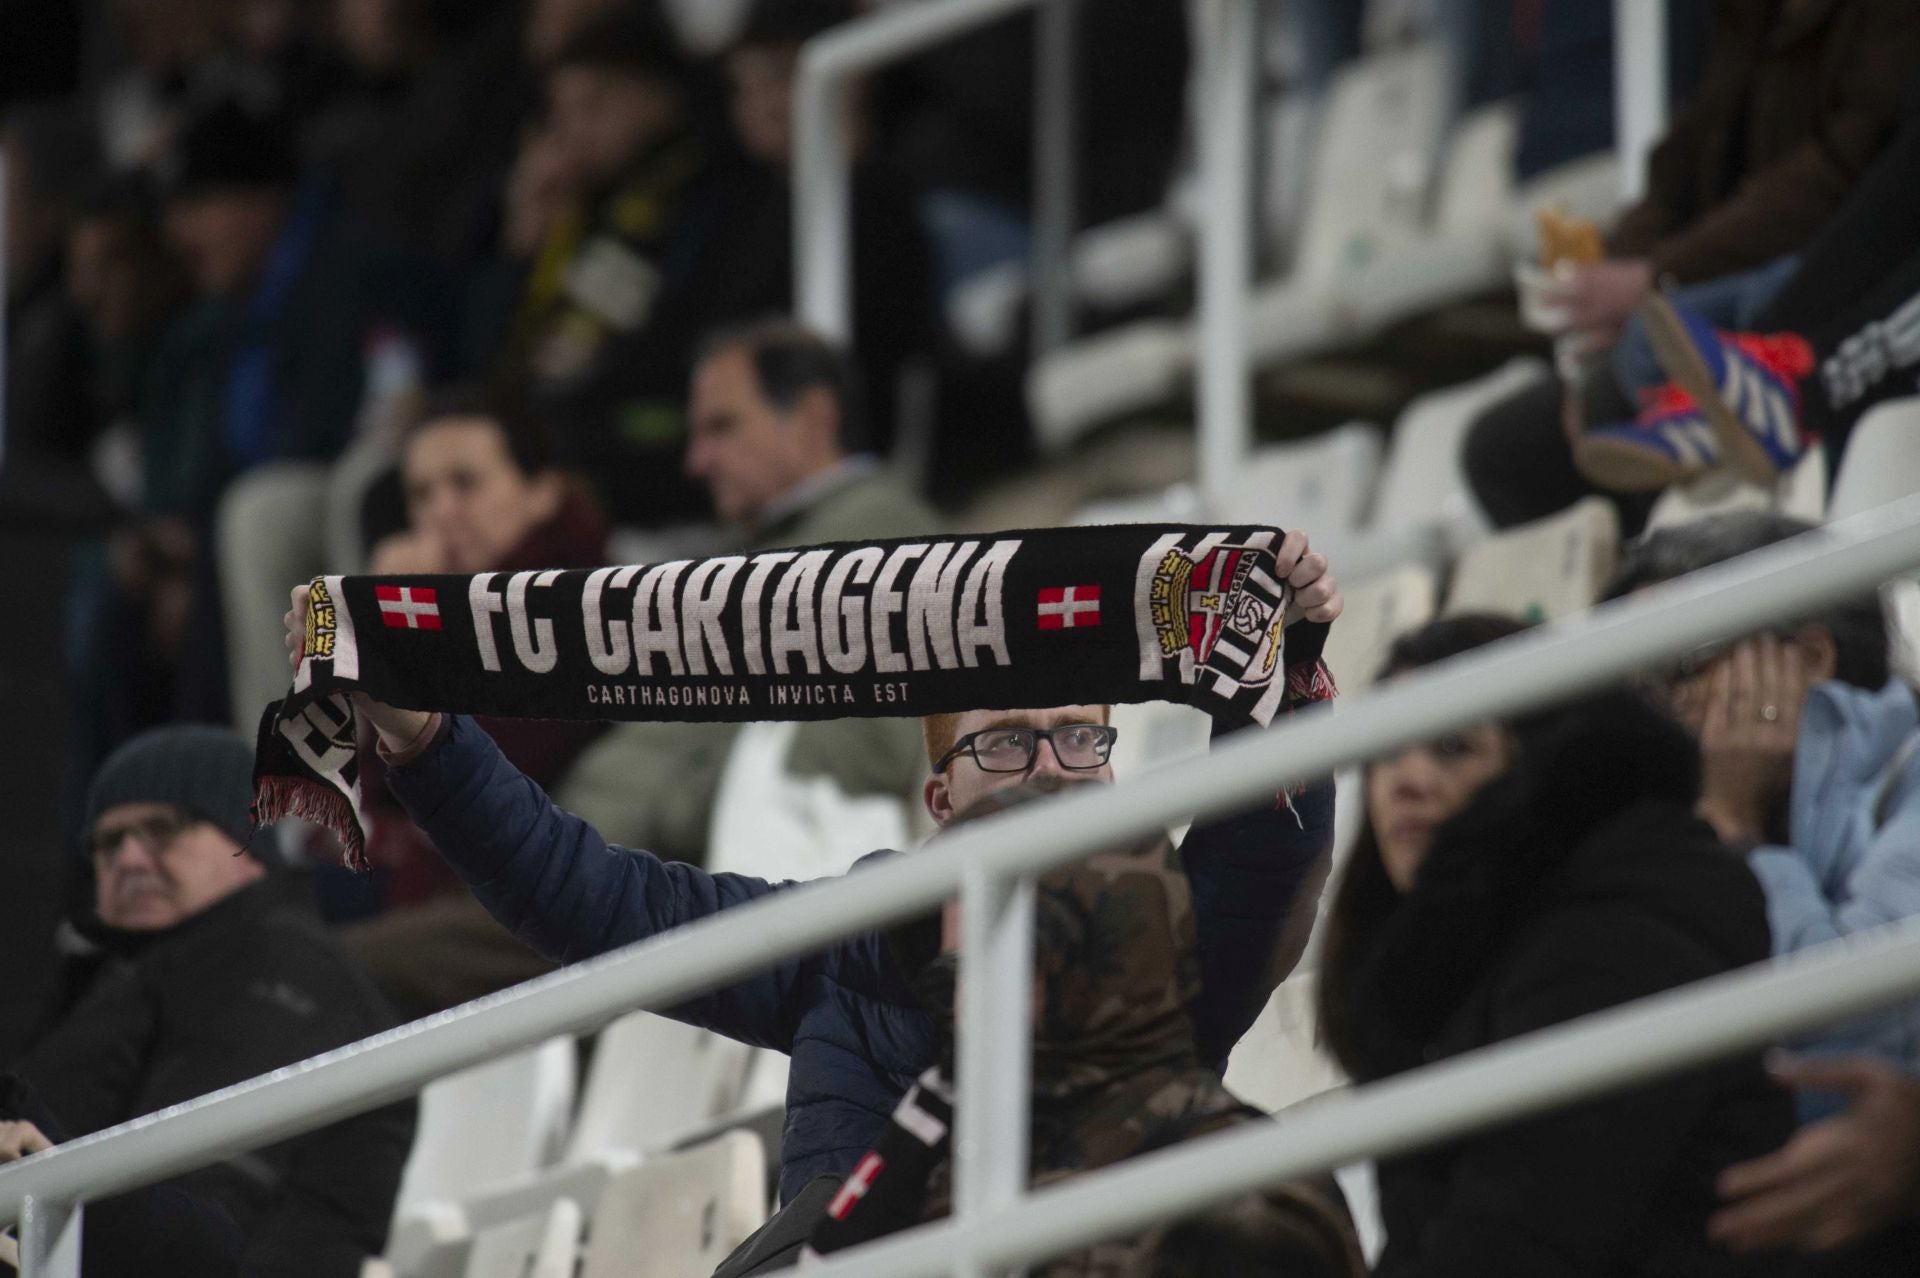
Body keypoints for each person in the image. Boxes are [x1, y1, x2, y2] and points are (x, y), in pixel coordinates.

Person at [280, 531, 1343, 1203]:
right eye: (1007, 742)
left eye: (1082, 736)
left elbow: (1270, 850)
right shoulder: (847, 949)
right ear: (941, 798)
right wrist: (424, 741)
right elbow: (588, 899)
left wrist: (1286, 676)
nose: (1052, 770)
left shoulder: (1176, 945)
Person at [1314, 614, 1797, 1276]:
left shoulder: (1626, 913)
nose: (1407, 779)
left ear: (1540, 758)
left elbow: (1522, 1236)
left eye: (1453, 747)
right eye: (1387, 752)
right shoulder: (1444, 962)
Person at [782, 783, 1364, 1278]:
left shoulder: (1242, 1198)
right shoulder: (949, 1151)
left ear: (1097, 964)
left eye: (997, 957)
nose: (960, 997)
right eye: (947, 968)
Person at [1462, 0, 1920, 534]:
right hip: (1760, 267)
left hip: (1814, 266)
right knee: (1507, 447)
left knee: (1638, 360)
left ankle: (1769, 391)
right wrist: (1624, 270)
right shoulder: (1746, 16)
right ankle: (1644, 582)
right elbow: (1679, 163)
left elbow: (1845, 179)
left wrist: (1655, 279)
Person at [1, 725, 415, 1277]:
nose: (128, 860)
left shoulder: (276, 967)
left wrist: (33, 1144)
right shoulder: (143, 972)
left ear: (248, 841)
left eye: (160, 830)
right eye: (106, 842)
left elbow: (193, 1235)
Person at [551, 319, 942, 860]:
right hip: (580, 869)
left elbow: (861, 746)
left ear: (812, 419)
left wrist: (670, 824)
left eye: (722, 427)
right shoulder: (756, 549)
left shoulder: (888, 537)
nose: (697, 462)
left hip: (643, 885)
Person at [320, 388, 612, 1017]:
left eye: (466, 483)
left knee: (303, 965)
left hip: (510, 903)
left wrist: (401, 628)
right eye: (422, 495)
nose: (441, 513)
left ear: (544, 491)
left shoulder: (576, 605)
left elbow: (452, 775)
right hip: (423, 876)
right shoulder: (460, 604)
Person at [1606, 514, 1920, 1085]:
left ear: (1809, 657)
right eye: (1635, 694)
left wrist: (1733, 827)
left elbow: (1858, 1024)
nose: (1654, 717)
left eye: (1676, 670)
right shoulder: (1656, 826)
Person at [703, 0, 939, 457]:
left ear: (850, 71)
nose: (759, 104)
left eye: (778, 77)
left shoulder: (890, 197)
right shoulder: (744, 215)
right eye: (741, 88)